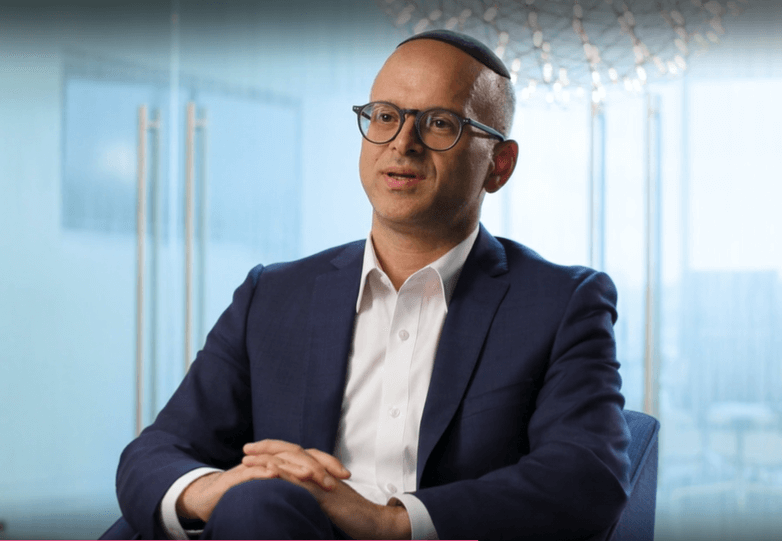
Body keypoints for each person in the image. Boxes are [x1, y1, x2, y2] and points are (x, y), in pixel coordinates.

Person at [114, 30, 630, 540]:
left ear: (499, 165)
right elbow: (157, 452)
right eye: (385, 115)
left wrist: (390, 521)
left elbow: (587, 476)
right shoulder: (273, 294)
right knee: (260, 502)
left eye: (439, 123)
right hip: (271, 526)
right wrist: (223, 489)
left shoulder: (562, 303)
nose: (403, 142)